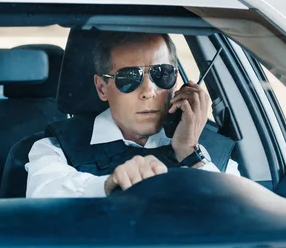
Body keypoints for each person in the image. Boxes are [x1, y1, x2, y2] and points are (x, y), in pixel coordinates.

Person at [26, 32, 240, 198]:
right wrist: (109, 185)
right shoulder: (57, 148)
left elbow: (237, 215)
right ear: (102, 88)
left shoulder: (212, 153)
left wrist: (189, 154)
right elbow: (44, 195)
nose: (149, 91)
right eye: (128, 77)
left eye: (161, 74)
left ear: (175, 81)